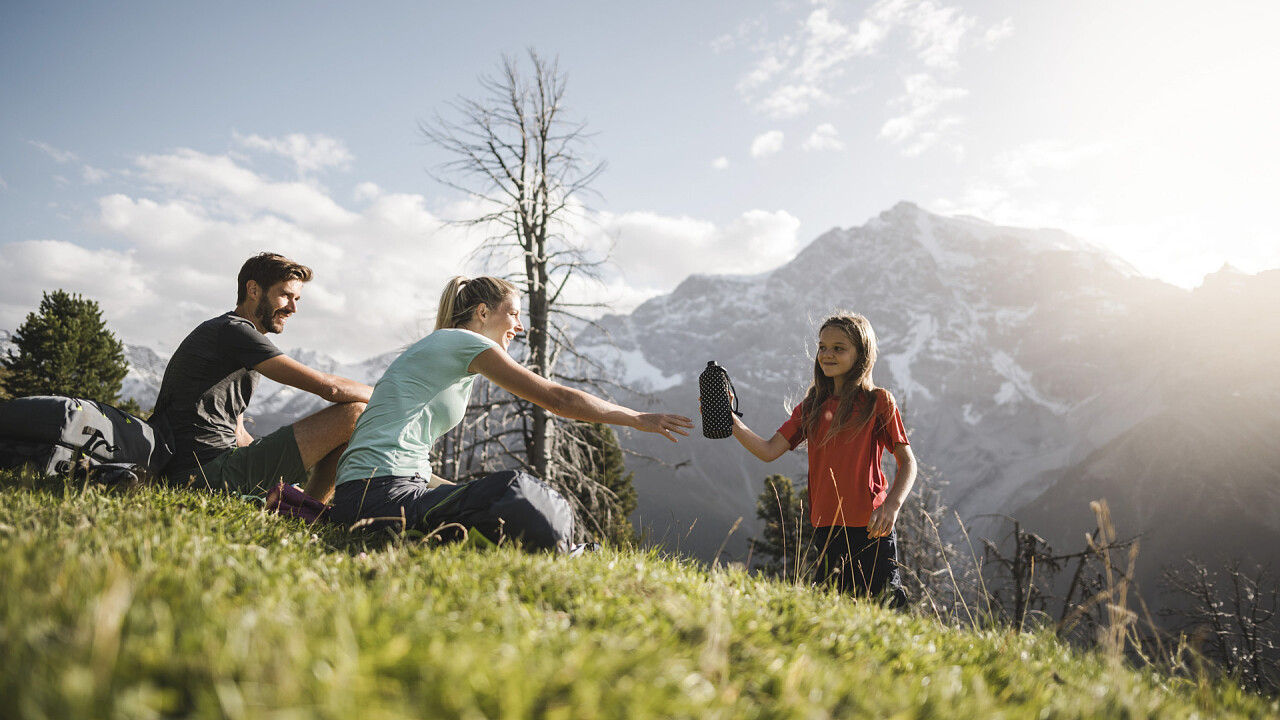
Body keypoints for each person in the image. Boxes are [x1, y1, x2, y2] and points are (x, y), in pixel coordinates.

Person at [330, 275, 694, 543]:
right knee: (514, 490)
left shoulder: (446, 347)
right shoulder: (461, 341)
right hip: (379, 496)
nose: (519, 326)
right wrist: (636, 418)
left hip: (373, 495)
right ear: (483, 312)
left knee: (495, 500)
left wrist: (462, 494)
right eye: (513, 314)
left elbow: (408, 462)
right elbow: (558, 400)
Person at [725, 312, 916, 606]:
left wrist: (892, 505)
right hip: (826, 528)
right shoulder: (811, 406)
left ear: (862, 354)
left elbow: (908, 462)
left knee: (885, 603)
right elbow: (768, 450)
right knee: (833, 604)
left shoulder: (877, 401)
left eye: (839, 348)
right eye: (822, 347)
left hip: (871, 526)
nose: (827, 354)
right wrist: (730, 420)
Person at [150, 252, 372, 501]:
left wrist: (283, 484)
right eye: (285, 295)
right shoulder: (234, 331)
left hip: (201, 468)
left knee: (348, 429)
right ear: (253, 290)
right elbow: (329, 388)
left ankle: (304, 504)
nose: (293, 308)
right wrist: (390, 396)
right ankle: (307, 510)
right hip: (204, 472)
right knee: (355, 413)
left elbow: (238, 433)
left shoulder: (228, 335)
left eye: (297, 299)